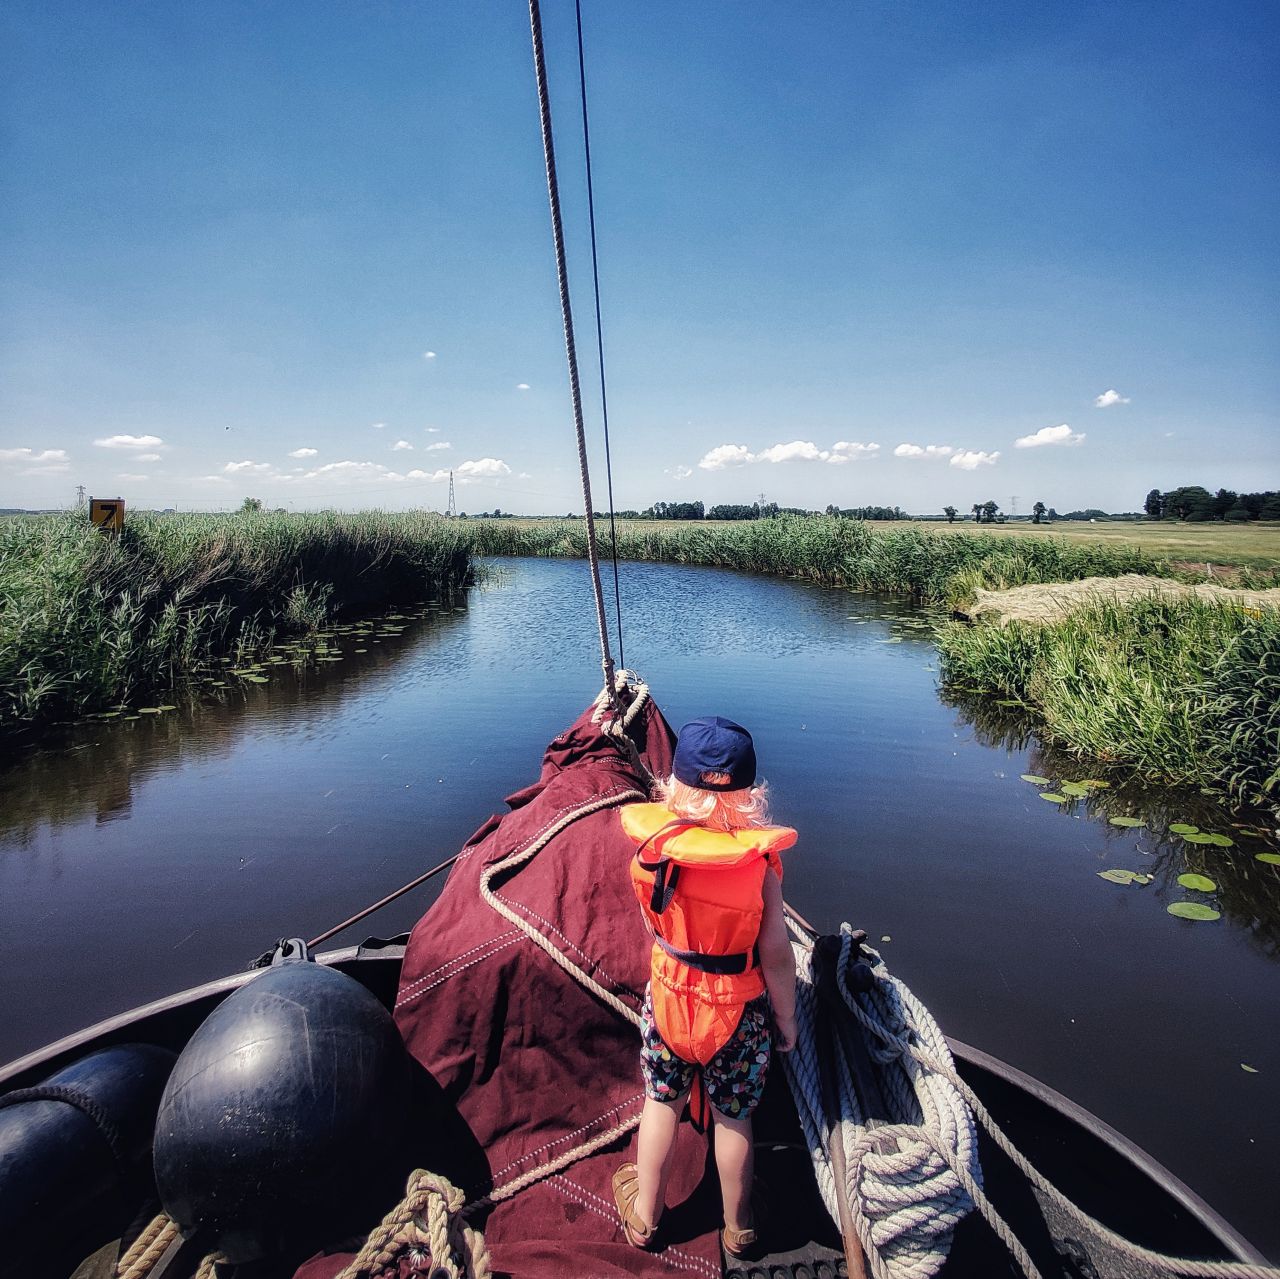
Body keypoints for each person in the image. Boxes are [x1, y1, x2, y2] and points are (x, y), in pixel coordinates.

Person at [613, 716, 798, 1259]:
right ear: (750, 796)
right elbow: (779, 959)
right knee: (734, 1118)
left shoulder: (653, 851)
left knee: (660, 1103)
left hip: (670, 1000)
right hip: (738, 1016)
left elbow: (656, 925)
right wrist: (785, 1020)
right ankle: (739, 1227)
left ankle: (646, 1216)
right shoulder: (757, 866)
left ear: (674, 787)